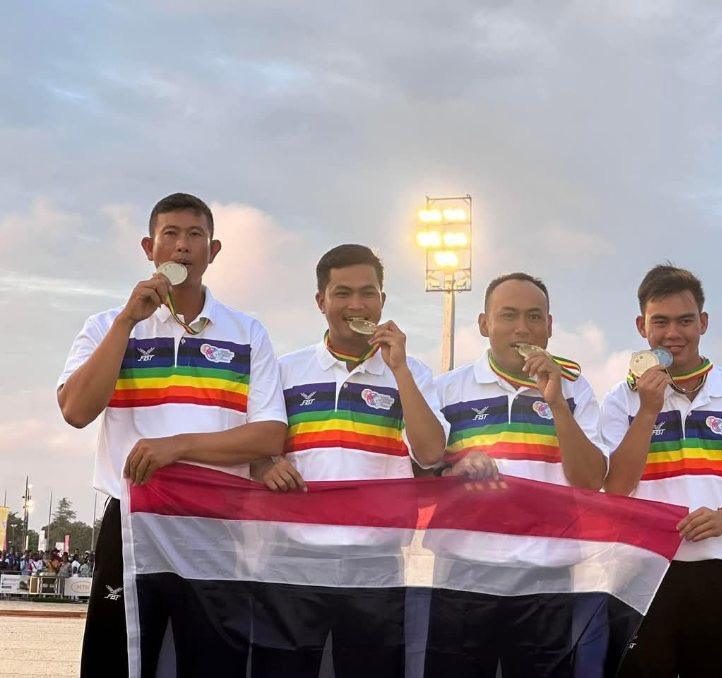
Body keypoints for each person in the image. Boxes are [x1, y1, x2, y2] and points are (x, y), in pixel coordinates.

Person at [57, 192, 288, 676]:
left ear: (214, 250)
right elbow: (77, 411)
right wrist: (126, 322)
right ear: (149, 247)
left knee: (213, 661)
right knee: (115, 660)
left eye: (195, 235)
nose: (183, 246)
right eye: (171, 234)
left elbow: (268, 436)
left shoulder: (247, 332)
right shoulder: (106, 325)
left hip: (217, 525)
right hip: (133, 524)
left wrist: (177, 448)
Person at [249, 244, 449, 677]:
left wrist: (398, 371)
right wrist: (264, 467)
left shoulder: (412, 372)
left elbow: (432, 454)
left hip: (374, 564)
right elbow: (256, 453)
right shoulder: (284, 370)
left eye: (368, 293)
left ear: (383, 300)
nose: (356, 304)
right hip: (292, 559)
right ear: (321, 300)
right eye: (342, 293)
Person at [600, 264, 722, 677]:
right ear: (641, 326)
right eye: (661, 322)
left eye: (685, 320)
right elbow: (615, 487)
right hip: (643, 572)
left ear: (703, 322)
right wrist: (649, 409)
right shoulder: (622, 400)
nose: (673, 333)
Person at [425, 272, 609, 677]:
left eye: (533, 316)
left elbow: (590, 480)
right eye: (508, 316)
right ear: (484, 324)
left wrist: (557, 402)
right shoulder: (446, 389)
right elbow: (420, 473)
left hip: (546, 574)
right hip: (465, 571)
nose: (522, 328)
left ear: (549, 325)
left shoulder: (576, 391)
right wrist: (455, 465)